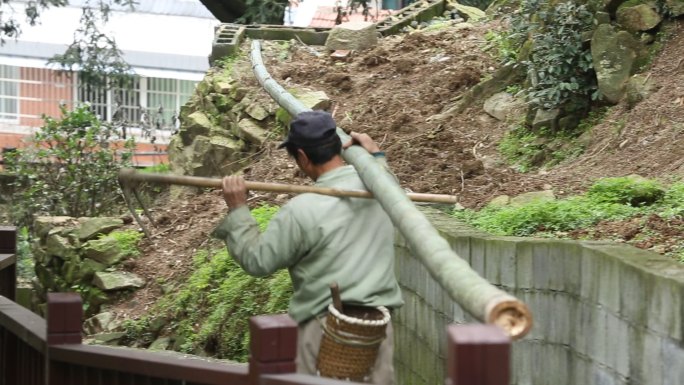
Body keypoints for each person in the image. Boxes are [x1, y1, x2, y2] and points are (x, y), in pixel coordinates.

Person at [212, 110, 404, 384]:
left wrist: (238, 209)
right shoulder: (384, 188)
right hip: (377, 332)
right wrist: (375, 156)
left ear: (302, 156)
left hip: (322, 331)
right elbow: (381, 171)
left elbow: (258, 260)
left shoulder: (301, 211)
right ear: (340, 146)